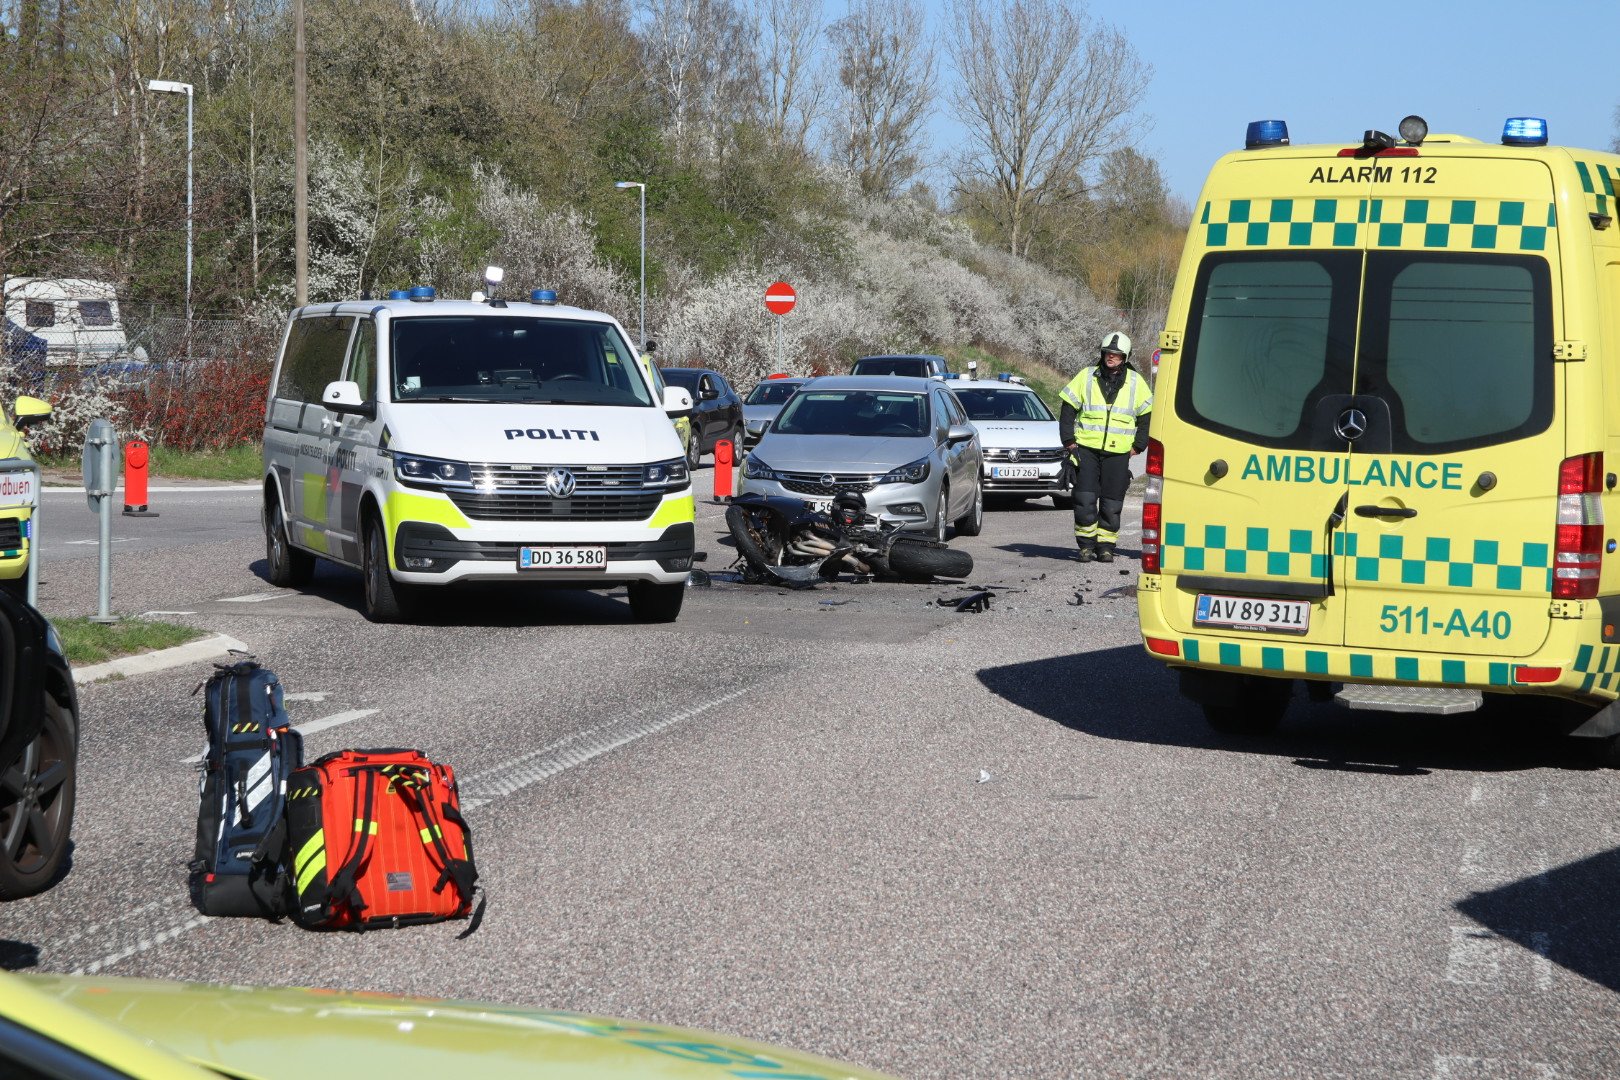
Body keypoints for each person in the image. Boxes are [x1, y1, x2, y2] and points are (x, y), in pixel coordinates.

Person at [1058, 331, 1153, 562]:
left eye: (1117, 355)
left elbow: (1146, 417)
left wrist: (1138, 447)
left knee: (1111, 504)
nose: (1111, 357)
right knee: (1084, 500)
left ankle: (1106, 547)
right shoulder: (1086, 376)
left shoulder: (1136, 382)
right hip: (1086, 450)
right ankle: (1086, 547)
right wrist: (1070, 443)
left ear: (1125, 357)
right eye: (1108, 353)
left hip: (1118, 453)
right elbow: (1068, 409)